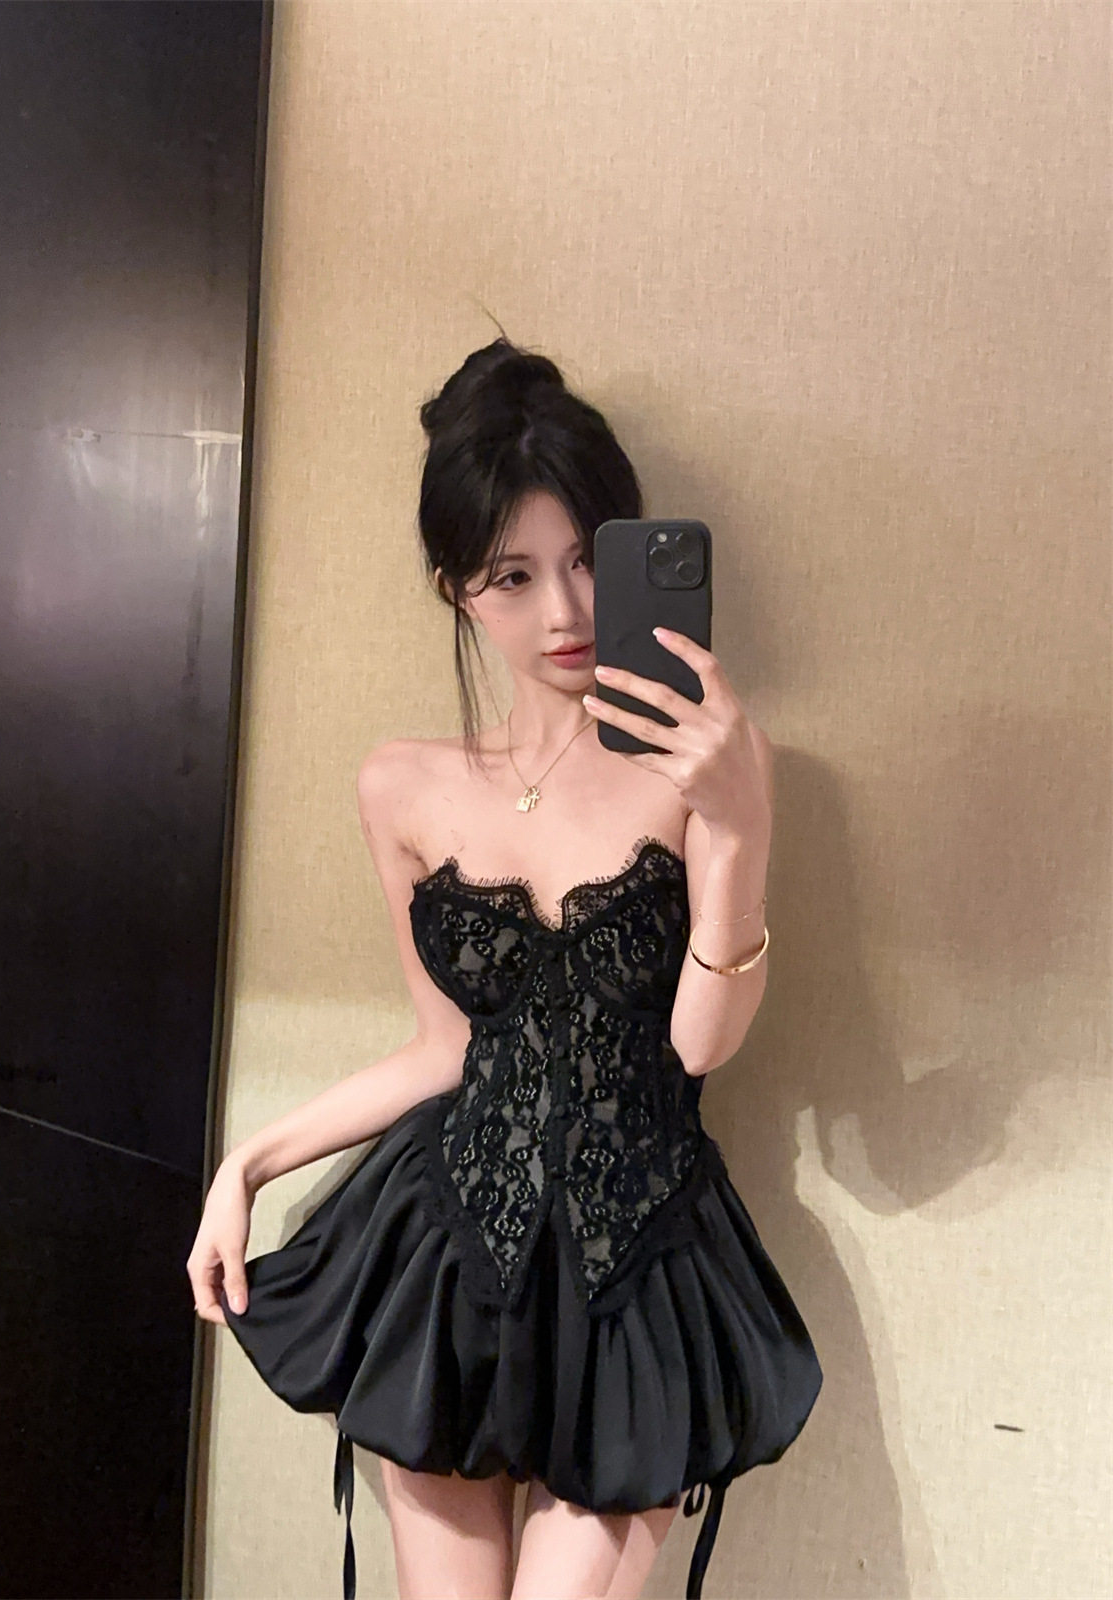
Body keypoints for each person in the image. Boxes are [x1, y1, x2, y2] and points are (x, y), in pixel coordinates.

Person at [187, 335, 823, 1600]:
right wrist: (249, 1162)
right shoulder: (401, 785)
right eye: (515, 576)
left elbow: (700, 1044)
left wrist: (741, 826)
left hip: (636, 1271)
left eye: (587, 560)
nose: (567, 613)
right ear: (457, 590)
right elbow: (442, 1049)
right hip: (446, 1262)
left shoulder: (708, 767)